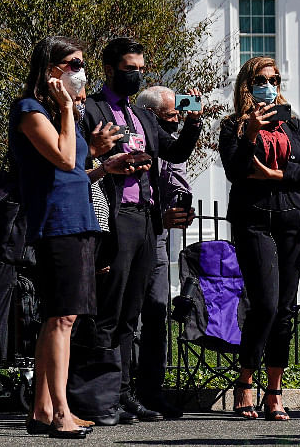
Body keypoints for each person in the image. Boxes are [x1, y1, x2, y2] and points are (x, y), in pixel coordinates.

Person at [72, 37, 201, 426]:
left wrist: (193, 123)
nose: (137, 75)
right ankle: (99, 397)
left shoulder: (143, 116)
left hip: (146, 218)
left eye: (141, 69)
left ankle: (125, 394)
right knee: (108, 310)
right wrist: (111, 160)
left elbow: (175, 152)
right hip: (113, 216)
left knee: (132, 312)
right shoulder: (91, 110)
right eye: (130, 69)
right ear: (110, 70)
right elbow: (76, 158)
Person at [219, 56, 300, 421]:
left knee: (286, 310)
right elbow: (235, 170)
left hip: (293, 219)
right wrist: (249, 137)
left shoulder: (292, 121)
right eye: (262, 79)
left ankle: (275, 391)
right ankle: (246, 378)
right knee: (265, 304)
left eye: (275, 78)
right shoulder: (233, 125)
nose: (270, 84)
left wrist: (278, 174)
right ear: (247, 85)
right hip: (254, 221)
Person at [12, 38, 103, 438]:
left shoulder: (57, 114)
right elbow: (64, 159)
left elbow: (75, 171)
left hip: (77, 219)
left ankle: (43, 409)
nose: (80, 70)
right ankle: (62, 412)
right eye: (73, 63)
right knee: (61, 317)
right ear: (51, 69)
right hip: (55, 224)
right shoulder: (30, 110)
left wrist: (104, 163)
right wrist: (67, 107)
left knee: (62, 317)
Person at [132, 86, 197, 419]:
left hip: (158, 239)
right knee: (129, 316)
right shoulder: (136, 140)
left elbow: (178, 178)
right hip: (132, 234)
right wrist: (162, 215)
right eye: (171, 115)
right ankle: (122, 390)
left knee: (157, 315)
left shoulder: (169, 147)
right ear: (151, 115)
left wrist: (182, 211)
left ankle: (151, 391)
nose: (176, 120)